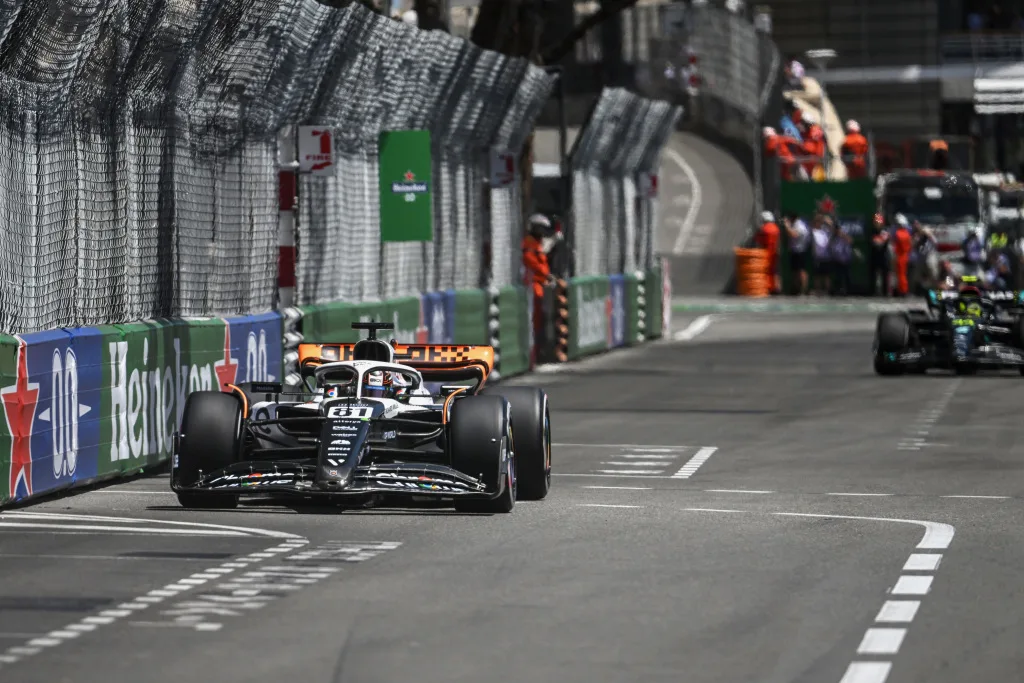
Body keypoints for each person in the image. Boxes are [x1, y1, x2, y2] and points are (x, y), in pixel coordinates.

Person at [522, 213, 556, 332]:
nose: (542, 231)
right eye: (539, 228)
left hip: (540, 285)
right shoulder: (529, 243)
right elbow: (532, 262)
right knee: (535, 320)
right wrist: (546, 275)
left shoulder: (537, 244)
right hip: (533, 286)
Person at [754, 211, 781, 294]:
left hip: (766, 253)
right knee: (775, 271)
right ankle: (776, 288)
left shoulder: (764, 229)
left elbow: (758, 241)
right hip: (775, 252)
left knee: (766, 271)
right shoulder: (776, 228)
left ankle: (768, 288)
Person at [783, 213, 810, 295]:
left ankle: (803, 290)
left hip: (799, 251)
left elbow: (793, 235)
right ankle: (795, 289)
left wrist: (786, 225)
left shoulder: (800, 225)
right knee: (795, 271)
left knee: (801, 271)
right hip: (795, 251)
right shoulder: (796, 224)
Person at [829, 221, 854, 296]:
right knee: (838, 276)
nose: (837, 230)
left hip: (845, 259)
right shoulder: (833, 236)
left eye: (838, 229)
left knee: (847, 276)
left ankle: (848, 291)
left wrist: (842, 235)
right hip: (837, 259)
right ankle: (838, 291)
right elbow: (831, 245)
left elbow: (851, 241)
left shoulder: (844, 234)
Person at [799, 111, 826, 178]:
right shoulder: (804, 132)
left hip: (815, 162)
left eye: (804, 123)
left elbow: (812, 148)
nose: (803, 125)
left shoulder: (816, 131)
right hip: (805, 162)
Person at [869, 213, 890, 296]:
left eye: (879, 222)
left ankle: (885, 292)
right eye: (876, 222)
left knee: (885, 274)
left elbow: (881, 242)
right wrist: (878, 241)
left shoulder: (885, 231)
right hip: (874, 256)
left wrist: (879, 241)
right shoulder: (872, 231)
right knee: (873, 274)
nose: (877, 224)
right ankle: (873, 291)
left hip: (883, 256)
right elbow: (874, 241)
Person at [892, 214, 913, 297]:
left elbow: (894, 242)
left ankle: (902, 291)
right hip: (905, 255)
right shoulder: (907, 234)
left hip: (900, 255)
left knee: (901, 275)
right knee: (903, 274)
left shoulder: (898, 233)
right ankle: (903, 290)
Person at [811, 215, 833, 295]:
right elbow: (812, 225)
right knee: (817, 276)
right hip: (817, 257)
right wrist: (818, 218)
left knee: (826, 275)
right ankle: (818, 291)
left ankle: (827, 291)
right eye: (818, 222)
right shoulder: (813, 231)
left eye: (820, 222)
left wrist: (826, 220)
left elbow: (832, 227)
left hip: (826, 256)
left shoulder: (826, 231)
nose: (819, 223)